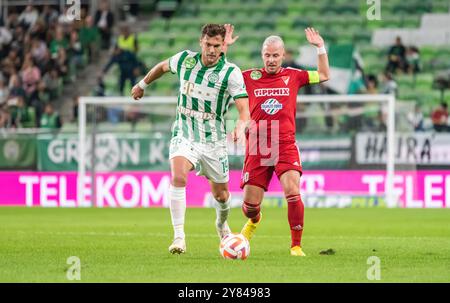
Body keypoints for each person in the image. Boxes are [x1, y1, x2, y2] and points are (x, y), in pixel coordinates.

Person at [131, 24, 250, 254]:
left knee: (222, 196)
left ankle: (221, 223)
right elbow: (163, 66)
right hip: (184, 133)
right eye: (208, 45)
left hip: (213, 141)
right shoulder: (185, 60)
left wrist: (240, 125)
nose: (212, 50)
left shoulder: (231, 73)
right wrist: (142, 84)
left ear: (221, 47)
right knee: (178, 175)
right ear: (200, 42)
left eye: (217, 46)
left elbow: (244, 109)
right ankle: (179, 237)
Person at [224, 25, 330, 256]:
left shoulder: (294, 75)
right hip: (258, 142)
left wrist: (320, 47)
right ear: (262, 55)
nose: (271, 60)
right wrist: (223, 48)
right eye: (267, 55)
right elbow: (223, 77)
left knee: (292, 190)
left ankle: (296, 246)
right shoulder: (248, 77)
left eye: (275, 55)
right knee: (249, 208)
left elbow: (323, 75)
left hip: (284, 142)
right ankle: (254, 220)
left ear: (283, 55)